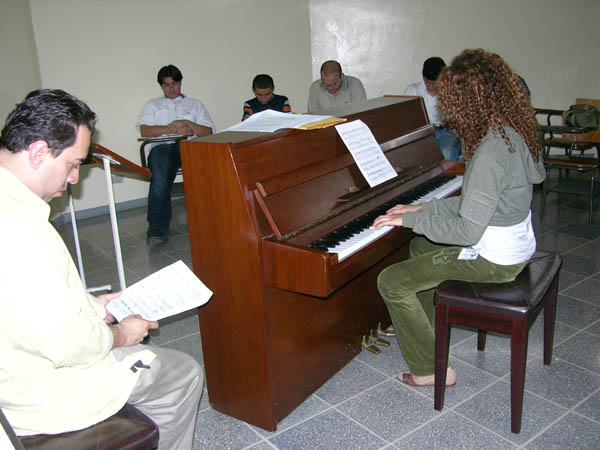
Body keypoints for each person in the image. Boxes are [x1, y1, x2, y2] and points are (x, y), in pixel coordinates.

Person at [0, 89, 203, 449]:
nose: (75, 178)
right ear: (38, 152)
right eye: (73, 164)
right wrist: (124, 333)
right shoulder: (23, 230)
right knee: (184, 373)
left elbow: (27, 305)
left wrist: (98, 306)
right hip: (32, 397)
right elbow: (72, 346)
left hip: (16, 365)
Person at [373, 49, 545, 387]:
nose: (446, 108)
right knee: (422, 248)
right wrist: (422, 209)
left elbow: (467, 230)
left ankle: (429, 370)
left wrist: (409, 221)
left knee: (391, 281)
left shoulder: (491, 150)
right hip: (516, 242)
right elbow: (478, 205)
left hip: (495, 259)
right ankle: (425, 335)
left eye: (451, 99)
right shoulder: (512, 133)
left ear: (468, 101)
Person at [136, 64, 216, 245]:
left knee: (204, 176)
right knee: (160, 179)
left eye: (175, 84)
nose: (171, 89)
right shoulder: (152, 105)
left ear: (180, 83)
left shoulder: (195, 105)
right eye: (166, 85)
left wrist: (189, 124)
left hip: (190, 146)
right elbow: (145, 130)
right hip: (162, 147)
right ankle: (156, 228)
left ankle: (208, 221)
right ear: (161, 86)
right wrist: (171, 127)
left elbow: (209, 131)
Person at [405, 57, 462, 161]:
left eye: (435, 83)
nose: (431, 87)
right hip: (421, 133)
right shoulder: (412, 90)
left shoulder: (451, 92)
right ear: (423, 76)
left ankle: (448, 176)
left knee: (446, 153)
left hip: (444, 132)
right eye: (427, 82)